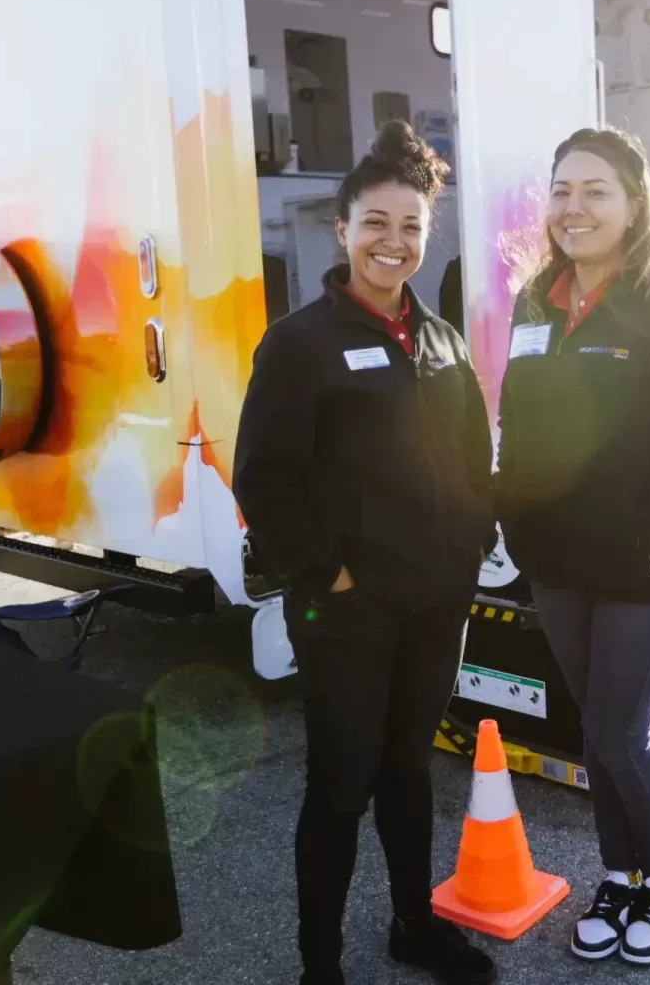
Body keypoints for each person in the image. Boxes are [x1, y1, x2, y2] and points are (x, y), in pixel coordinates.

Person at [232, 120, 499, 985]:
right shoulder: (300, 343)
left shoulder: (442, 341)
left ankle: (413, 926)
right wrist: (328, 575)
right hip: (345, 608)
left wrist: (468, 551)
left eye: (413, 226)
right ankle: (321, 967)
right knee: (342, 785)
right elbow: (263, 478)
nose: (396, 242)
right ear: (342, 229)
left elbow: (471, 461)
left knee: (408, 771)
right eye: (377, 223)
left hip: (433, 601)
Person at [492, 126, 650, 966]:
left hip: (644, 568)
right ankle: (620, 874)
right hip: (559, 565)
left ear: (635, 206)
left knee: (619, 732)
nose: (575, 207)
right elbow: (518, 425)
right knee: (594, 732)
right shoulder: (537, 302)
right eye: (562, 190)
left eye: (596, 190)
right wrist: (519, 526)